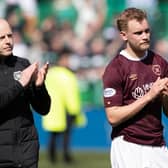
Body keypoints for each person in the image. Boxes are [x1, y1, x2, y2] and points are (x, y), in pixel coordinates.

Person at [102, 7, 168, 168]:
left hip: (157, 144)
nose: (145, 36)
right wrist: (149, 96)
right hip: (128, 145)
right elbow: (113, 117)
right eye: (138, 33)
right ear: (124, 35)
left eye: (147, 31)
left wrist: (166, 97)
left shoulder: (160, 63)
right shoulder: (115, 68)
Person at [0, 18, 51, 168]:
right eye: (1, 38)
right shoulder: (23, 76)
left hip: (27, 150)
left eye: (10, 36)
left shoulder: (22, 65)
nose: (8, 41)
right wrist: (20, 83)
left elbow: (43, 109)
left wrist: (38, 87)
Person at [42, 46, 86, 164]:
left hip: (52, 109)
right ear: (62, 59)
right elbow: (71, 94)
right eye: (67, 58)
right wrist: (74, 110)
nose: (69, 61)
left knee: (53, 134)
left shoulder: (50, 73)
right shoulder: (67, 75)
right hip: (66, 109)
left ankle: (52, 157)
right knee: (65, 135)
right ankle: (66, 157)